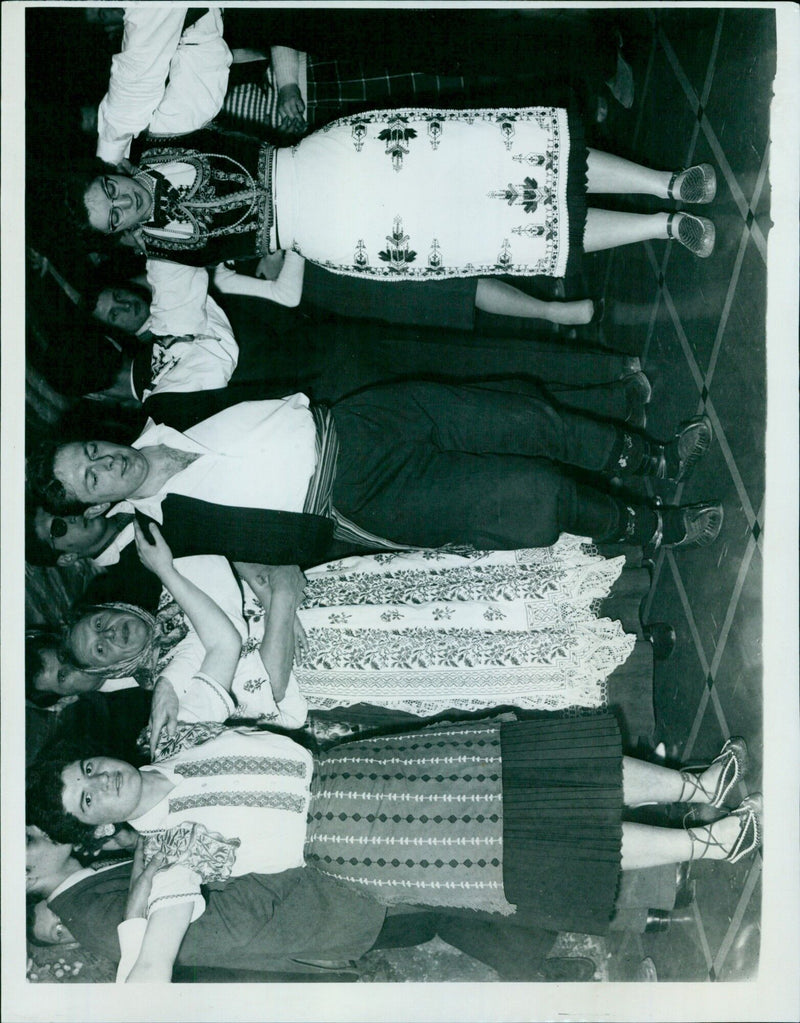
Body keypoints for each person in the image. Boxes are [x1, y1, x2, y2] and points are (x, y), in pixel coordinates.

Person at [27, 708, 762, 983]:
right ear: (95, 826)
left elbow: (220, 644)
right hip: (377, 841)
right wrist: (134, 916)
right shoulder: (168, 852)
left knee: (540, 766)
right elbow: (150, 967)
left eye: (89, 768)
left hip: (371, 764)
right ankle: (714, 841)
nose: (102, 781)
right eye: (88, 798)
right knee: (546, 838)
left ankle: (696, 786)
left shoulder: (176, 738)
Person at [27, 382, 723, 570]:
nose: (103, 464)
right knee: (534, 494)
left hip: (358, 422)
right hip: (355, 500)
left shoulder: (169, 402)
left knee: (519, 417)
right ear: (98, 508)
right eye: (91, 480)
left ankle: (654, 459)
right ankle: (652, 527)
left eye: (90, 451)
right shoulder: (168, 534)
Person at [70, 116, 717, 275]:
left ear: (112, 168)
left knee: (502, 153)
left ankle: (665, 183)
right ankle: (661, 226)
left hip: (341, 156)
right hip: (336, 236)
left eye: (109, 191)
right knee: (495, 228)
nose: (122, 204)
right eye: (111, 219)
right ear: (116, 234)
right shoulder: (165, 250)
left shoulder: (165, 129)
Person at [26, 824, 592, 982]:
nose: (31, 826)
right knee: (455, 893)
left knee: (451, 902)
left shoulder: (94, 888)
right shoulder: (96, 916)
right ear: (26, 879)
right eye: (24, 841)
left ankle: (540, 962)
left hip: (316, 909)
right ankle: (600, 917)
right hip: (314, 909)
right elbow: (217, 931)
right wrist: (276, 871)